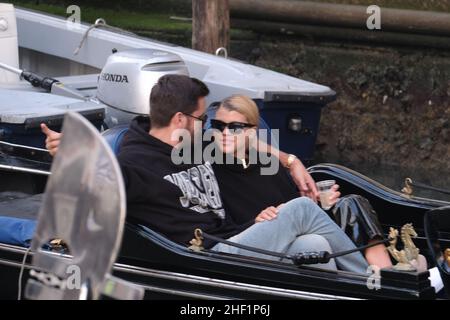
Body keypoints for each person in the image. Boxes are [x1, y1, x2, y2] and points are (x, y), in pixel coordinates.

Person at [41, 74, 368, 272]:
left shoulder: (188, 146)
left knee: (315, 247)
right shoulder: (137, 161)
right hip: (203, 256)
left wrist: (291, 160)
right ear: (182, 120)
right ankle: (375, 282)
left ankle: (355, 288)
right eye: (202, 118)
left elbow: (247, 140)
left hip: (234, 237)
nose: (208, 126)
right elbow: (110, 180)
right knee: (300, 210)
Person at [209, 94, 392, 269]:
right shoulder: (206, 165)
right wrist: (254, 221)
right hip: (248, 243)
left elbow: (293, 208)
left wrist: (319, 202)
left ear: (251, 132)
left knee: (339, 215)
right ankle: (370, 280)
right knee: (310, 225)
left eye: (234, 127)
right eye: (218, 125)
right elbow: (223, 228)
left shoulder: (268, 164)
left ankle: (379, 274)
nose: (224, 133)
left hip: (288, 238)